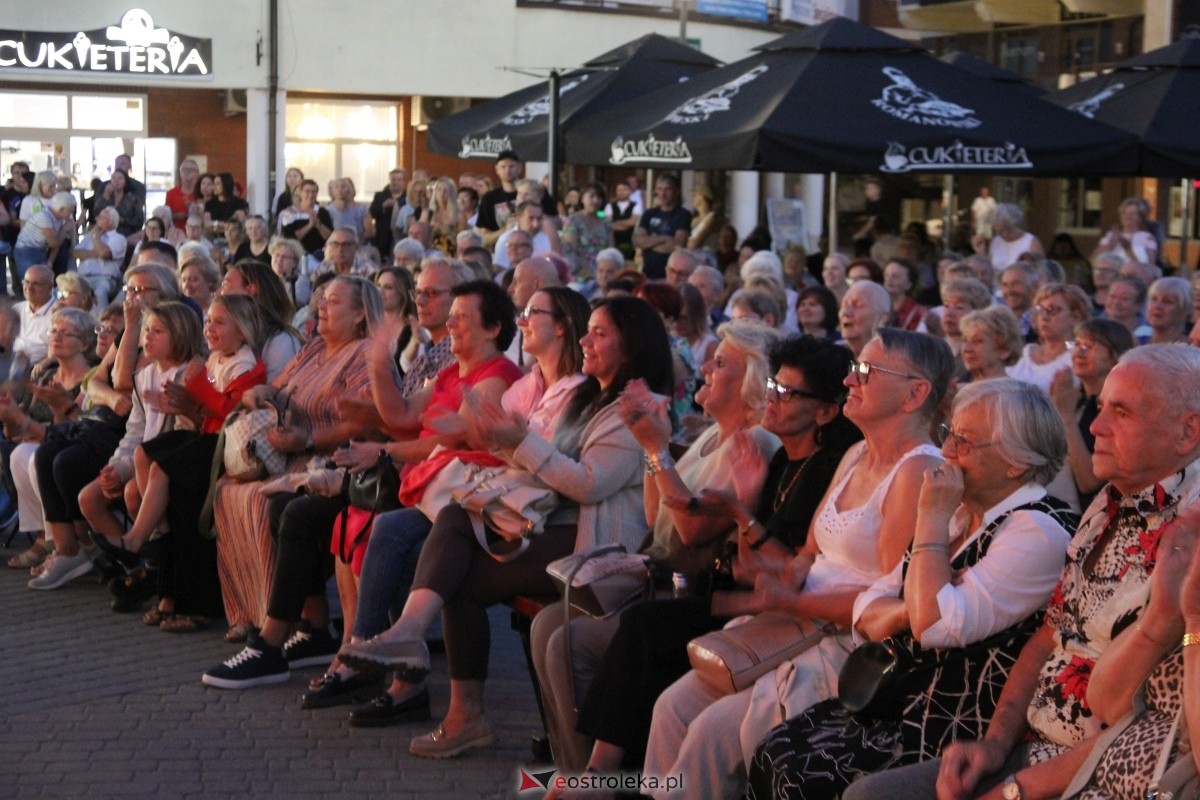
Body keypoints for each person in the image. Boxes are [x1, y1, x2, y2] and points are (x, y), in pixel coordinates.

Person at [843, 344, 1200, 800]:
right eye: (1102, 406)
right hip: (1026, 744)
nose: (1094, 425)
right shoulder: (1111, 502)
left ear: (1187, 432)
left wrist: (1016, 790)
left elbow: (1142, 721)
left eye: (1122, 412)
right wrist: (995, 745)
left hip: (1102, 773)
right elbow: (1049, 636)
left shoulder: (1187, 536)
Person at [336, 297, 674, 757]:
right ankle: (417, 645)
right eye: (587, 329)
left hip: (597, 547)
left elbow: (588, 485)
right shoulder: (589, 396)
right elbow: (544, 469)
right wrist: (501, 440)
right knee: (455, 522)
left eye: (598, 333)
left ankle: (454, 698)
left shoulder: (632, 409)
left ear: (631, 345)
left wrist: (518, 441)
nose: (585, 340)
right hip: (554, 524)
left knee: (455, 572)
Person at [638, 329, 950, 799]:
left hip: (844, 647)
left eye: (866, 370)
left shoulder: (918, 472)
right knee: (671, 708)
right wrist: (768, 567)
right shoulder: (855, 454)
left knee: (709, 736)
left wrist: (794, 597)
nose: (851, 381)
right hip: (793, 624)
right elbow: (807, 556)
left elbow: (892, 597)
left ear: (916, 393)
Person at [536, 332, 859, 777]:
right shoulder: (771, 454)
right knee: (554, 627)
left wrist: (661, 452)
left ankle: (599, 775)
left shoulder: (789, 456)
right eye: (773, 387)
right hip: (709, 586)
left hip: (758, 609)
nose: (705, 368)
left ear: (824, 411)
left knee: (625, 632)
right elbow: (661, 518)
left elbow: (693, 531)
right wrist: (658, 451)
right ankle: (585, 769)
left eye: (786, 391)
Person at [748, 379, 1077, 800]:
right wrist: (907, 610)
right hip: (901, 696)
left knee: (805, 774)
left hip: (957, 722)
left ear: (1016, 462)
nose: (948, 451)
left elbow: (934, 626)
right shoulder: (962, 511)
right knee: (775, 749)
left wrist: (931, 520)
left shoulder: (1036, 529)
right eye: (949, 434)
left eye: (965, 441)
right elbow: (867, 610)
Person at [302, 287, 589, 718]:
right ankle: (368, 652)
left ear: (493, 328)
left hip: (508, 510)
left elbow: (500, 449)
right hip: (466, 498)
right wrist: (380, 358)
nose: (449, 324)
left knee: (417, 549)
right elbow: (402, 417)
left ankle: (402, 673)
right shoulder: (514, 382)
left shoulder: (512, 379)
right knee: (381, 528)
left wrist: (394, 449)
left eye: (460, 315)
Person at [93, 294, 266, 631]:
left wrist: (192, 394)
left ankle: (140, 540)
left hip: (222, 445)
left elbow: (230, 412)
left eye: (219, 322)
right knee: (149, 457)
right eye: (208, 321)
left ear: (242, 332)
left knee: (173, 489)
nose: (210, 328)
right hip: (206, 437)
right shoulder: (213, 360)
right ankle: (153, 539)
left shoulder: (245, 365)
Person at [0, 308, 98, 587]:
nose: (57, 337)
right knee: (18, 452)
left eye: (67, 333)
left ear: (85, 343)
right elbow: (17, 431)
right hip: (39, 442)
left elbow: (68, 432)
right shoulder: (46, 374)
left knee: (34, 455)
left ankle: (63, 542)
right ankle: (48, 536)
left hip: (73, 449)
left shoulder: (90, 378)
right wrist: (10, 418)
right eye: (54, 331)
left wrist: (25, 424)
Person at [218, 260, 304, 380]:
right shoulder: (228, 335)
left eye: (225, 285)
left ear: (250, 290)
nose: (218, 294)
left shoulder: (280, 341)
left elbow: (276, 393)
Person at [1006, 283, 1091, 394]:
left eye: (1053, 310)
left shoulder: (1078, 357)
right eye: (1040, 310)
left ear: (1075, 317)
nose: (1044, 317)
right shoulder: (1025, 353)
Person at [633, 174, 692, 281]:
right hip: (647, 275)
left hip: (671, 277)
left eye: (667, 189)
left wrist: (648, 243)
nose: (662, 194)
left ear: (676, 191)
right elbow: (637, 241)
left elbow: (677, 245)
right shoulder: (648, 213)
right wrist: (664, 239)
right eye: (659, 189)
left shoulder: (683, 215)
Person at [73, 206, 126, 308]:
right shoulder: (90, 235)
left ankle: (102, 320)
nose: (96, 219)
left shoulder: (119, 239)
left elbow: (104, 254)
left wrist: (96, 237)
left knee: (100, 293)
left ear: (109, 222)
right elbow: (76, 253)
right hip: (82, 278)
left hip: (104, 279)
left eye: (101, 217)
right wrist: (97, 252)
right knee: (61, 291)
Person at [14, 193, 75, 281]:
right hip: (27, 251)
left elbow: (56, 245)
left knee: (42, 281)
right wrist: (64, 231)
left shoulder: (60, 219)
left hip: (41, 250)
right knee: (31, 280)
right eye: (70, 211)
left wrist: (50, 263)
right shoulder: (44, 217)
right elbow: (54, 243)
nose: (71, 214)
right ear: (62, 209)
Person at [562, 182, 613, 282]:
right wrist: (589, 270)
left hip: (603, 272)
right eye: (592, 196)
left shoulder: (605, 221)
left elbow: (611, 249)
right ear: (582, 199)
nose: (595, 201)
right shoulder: (573, 220)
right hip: (580, 272)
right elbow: (570, 250)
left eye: (599, 198)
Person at [960, 305, 1023, 383]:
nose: (967, 349)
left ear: (1004, 350)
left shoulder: (1018, 393)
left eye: (977, 341)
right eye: (964, 340)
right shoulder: (958, 391)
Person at [1092, 197, 1158, 267]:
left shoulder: (1147, 237)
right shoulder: (1111, 235)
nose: (1128, 217)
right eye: (1124, 213)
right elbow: (1092, 261)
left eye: (1133, 214)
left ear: (1140, 218)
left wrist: (1128, 250)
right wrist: (1109, 246)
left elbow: (1150, 268)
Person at [975, 203, 1042, 270]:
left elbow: (1040, 269)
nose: (1005, 234)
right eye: (1000, 232)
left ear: (1016, 224)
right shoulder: (996, 241)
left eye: (1008, 229)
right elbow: (989, 269)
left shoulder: (1031, 241)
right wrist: (981, 252)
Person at [279, 179, 332, 264]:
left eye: (313, 192)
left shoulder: (322, 212)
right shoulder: (290, 213)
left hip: (319, 255)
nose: (310, 195)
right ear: (300, 193)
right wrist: (310, 225)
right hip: (296, 255)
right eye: (307, 191)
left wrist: (318, 224)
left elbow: (329, 237)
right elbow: (289, 238)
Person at [837, 281, 892, 357]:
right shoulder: (831, 356)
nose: (846, 312)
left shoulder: (896, 359)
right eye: (844, 305)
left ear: (882, 317)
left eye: (857, 305)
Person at [1104, 274, 1151, 344]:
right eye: (1112, 296)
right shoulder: (1095, 328)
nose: (1116, 302)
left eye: (1124, 298)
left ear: (1139, 305)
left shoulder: (1147, 334)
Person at [883, 258, 926, 332]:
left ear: (908, 285)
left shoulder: (918, 313)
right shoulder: (877, 307)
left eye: (895, 276)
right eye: (886, 275)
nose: (889, 279)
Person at [1146, 276, 1191, 345]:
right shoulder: (1134, 341)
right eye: (1154, 299)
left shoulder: (1193, 350)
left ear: (1184, 310)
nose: (1157, 306)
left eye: (1167, 301)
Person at [179, 254, 219, 319]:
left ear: (209, 281)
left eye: (193, 280)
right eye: (183, 280)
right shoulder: (179, 312)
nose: (187, 285)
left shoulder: (220, 310)